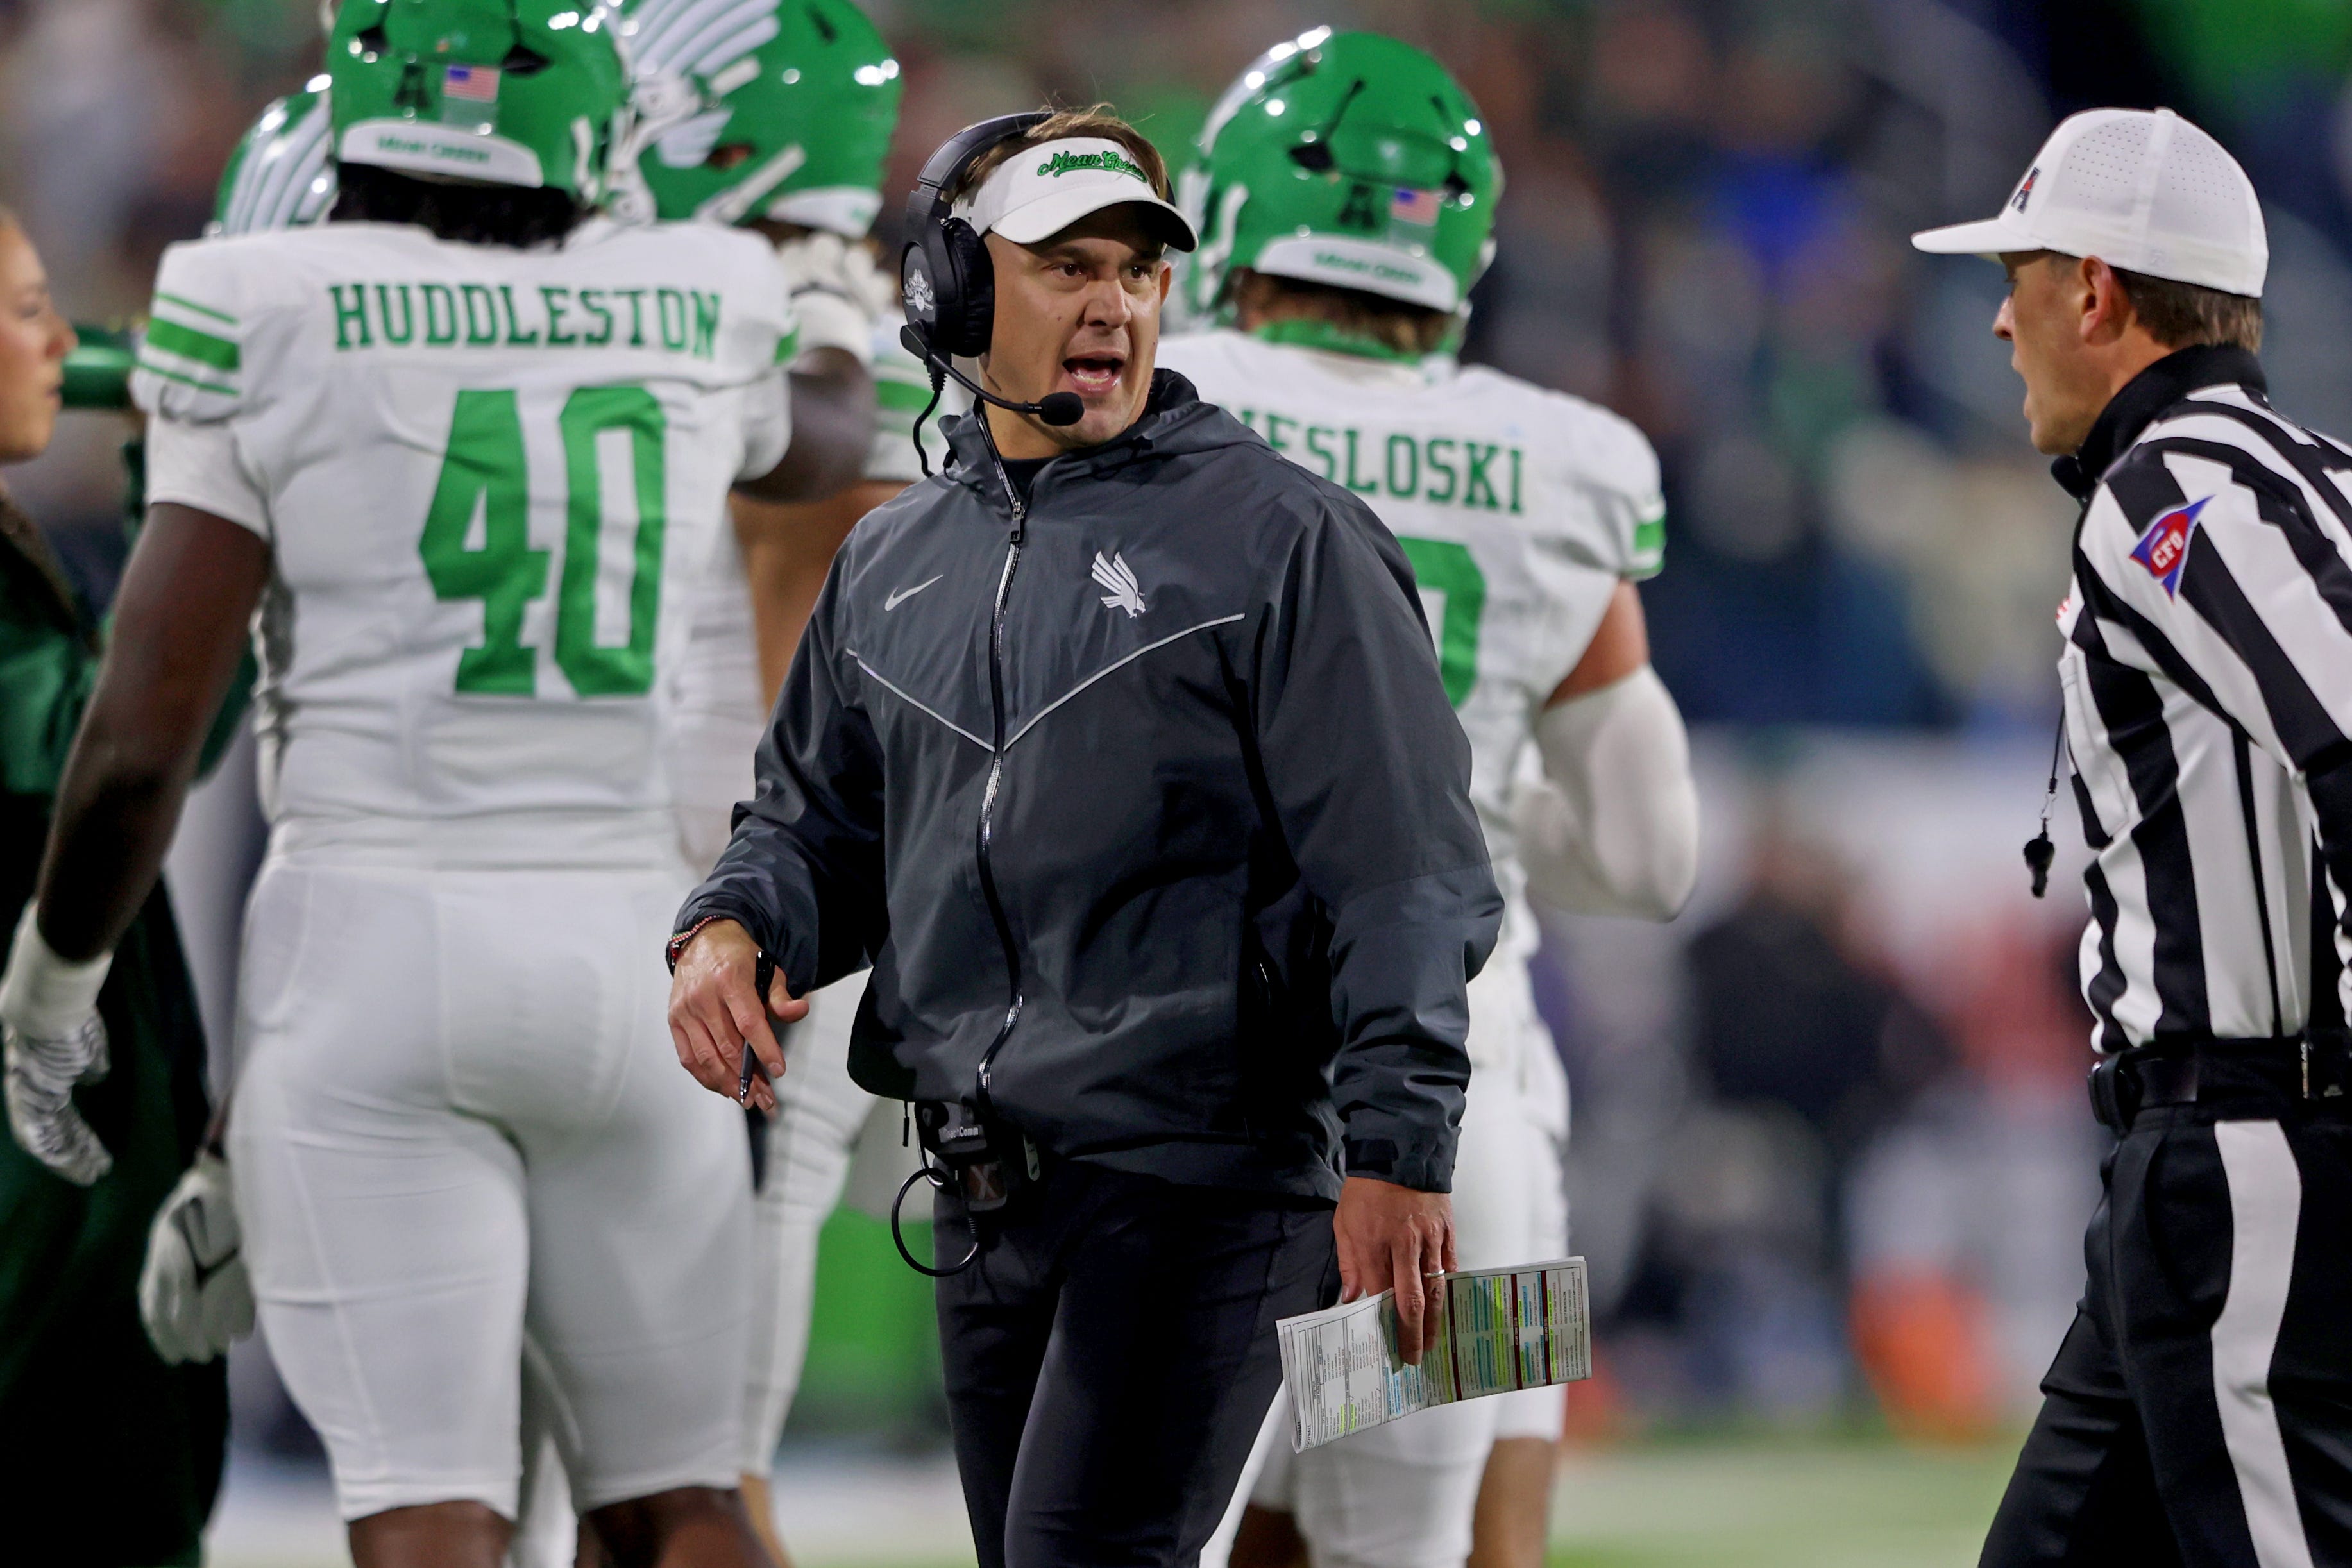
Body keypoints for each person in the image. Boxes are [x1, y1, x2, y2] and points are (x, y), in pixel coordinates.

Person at [0, 2, 871, 1564]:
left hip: (372, 943)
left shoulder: (259, 295)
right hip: (636, 958)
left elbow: (140, 739)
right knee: (684, 1499)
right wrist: (824, 310)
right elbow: (820, 442)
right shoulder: (689, 291)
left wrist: (54, 990)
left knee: (434, 1510)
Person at [666, 106, 1502, 1568]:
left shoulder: (1283, 537)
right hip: (990, 1186)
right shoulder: (892, 555)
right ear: (958, 294)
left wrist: (1401, 1145)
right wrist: (732, 922)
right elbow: (818, 820)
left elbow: (1406, 870)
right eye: (1063, 265)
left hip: (1207, 1175)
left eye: (1135, 268)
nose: (1112, 299)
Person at [1160, 31, 1699, 1568]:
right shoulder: (1563, 458)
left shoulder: (1165, 403)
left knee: (1163, 1526)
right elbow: (1652, 857)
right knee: (1431, 1540)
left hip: (1183, 1064)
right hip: (1469, 1095)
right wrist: (1463, 808)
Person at [1910, 108, 2352, 1565]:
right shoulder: (2313, 471)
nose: (1997, 318)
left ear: (2093, 293)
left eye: (2020, 277)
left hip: (2243, 1154)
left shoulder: (2167, 484)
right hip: (2197, 1171)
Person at [620, 1, 910, 1560]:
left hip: (748, 882)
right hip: (787, 880)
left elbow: (813, 490)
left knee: (692, 1447)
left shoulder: (790, 305)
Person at [0, 208, 235, 1568]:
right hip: (30, 1169)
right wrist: (201, 502)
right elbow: (131, 744)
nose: (63, 338)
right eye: (26, 307)